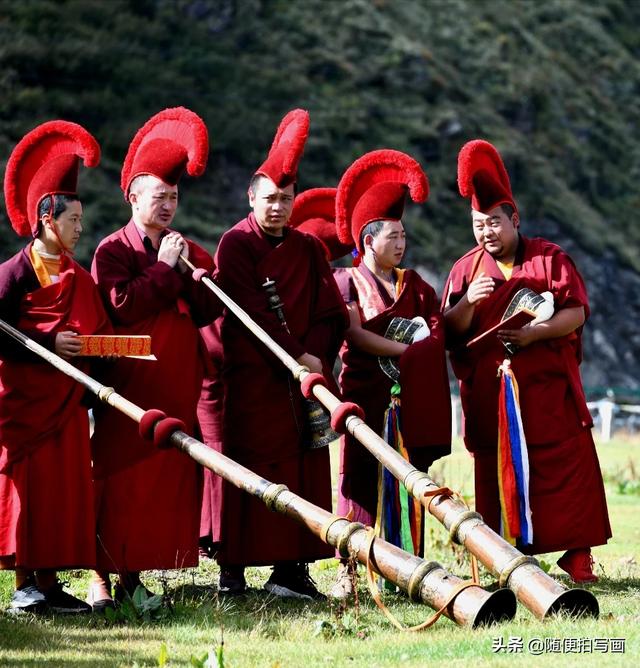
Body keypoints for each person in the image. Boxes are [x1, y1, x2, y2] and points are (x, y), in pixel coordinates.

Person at [442, 139, 611, 583]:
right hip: (493, 397)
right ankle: (507, 558)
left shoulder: (548, 259)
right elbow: (447, 333)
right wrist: (466, 306)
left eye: (494, 223)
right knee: (499, 470)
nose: (486, 233)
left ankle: (577, 558)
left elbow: (576, 311)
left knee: (565, 468)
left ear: (513, 220)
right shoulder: (465, 271)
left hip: (547, 392)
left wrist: (536, 332)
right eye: (478, 225)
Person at [214, 109, 348, 598]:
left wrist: (314, 356)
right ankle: (234, 569)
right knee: (249, 470)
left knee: (302, 470)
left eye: (285, 200)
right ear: (251, 198)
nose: (277, 208)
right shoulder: (235, 245)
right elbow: (251, 316)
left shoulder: (309, 249)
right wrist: (295, 358)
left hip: (303, 382)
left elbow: (332, 312)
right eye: (268, 199)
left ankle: (292, 571)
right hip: (256, 379)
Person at [89, 107, 221, 607]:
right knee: (119, 479)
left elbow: (208, 309)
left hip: (176, 383)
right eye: (159, 197)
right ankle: (101, 576)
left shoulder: (179, 247)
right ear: (133, 198)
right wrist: (165, 268)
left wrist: (197, 270)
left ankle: (134, 578)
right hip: (131, 383)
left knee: (161, 481)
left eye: (174, 197)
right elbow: (122, 306)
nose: (168, 206)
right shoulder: (112, 250)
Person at [326, 150, 451, 599]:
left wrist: (423, 350)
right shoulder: (347, 282)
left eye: (404, 235)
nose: (401, 243)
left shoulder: (414, 285)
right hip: (365, 394)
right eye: (392, 235)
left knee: (407, 475)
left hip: (406, 400)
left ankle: (406, 565)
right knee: (358, 479)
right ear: (369, 238)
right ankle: (350, 569)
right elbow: (356, 335)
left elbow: (435, 330)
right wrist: (409, 349)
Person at [0, 121, 110, 614]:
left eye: (81, 220)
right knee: (28, 492)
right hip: (26, 404)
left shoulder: (78, 276)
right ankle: (25, 582)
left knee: (63, 491)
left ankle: (49, 581)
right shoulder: (13, 273)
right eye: (72, 219)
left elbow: (97, 331)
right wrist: (47, 340)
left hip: (66, 404)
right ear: (47, 218)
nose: (79, 228)